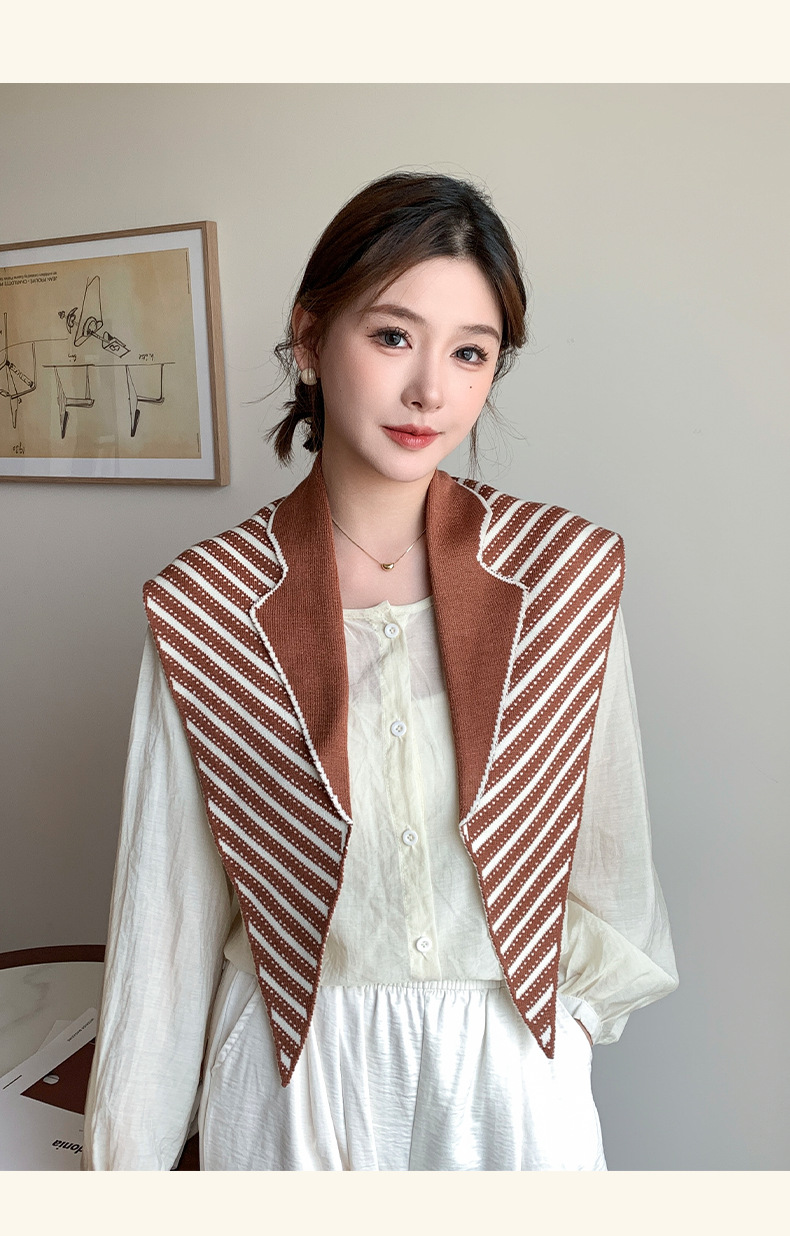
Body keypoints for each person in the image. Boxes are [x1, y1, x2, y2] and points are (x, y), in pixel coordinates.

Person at [82, 171, 679, 1171]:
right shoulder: (207, 605)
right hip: (292, 1080)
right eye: (394, 335)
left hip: (510, 1079)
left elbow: (611, 871)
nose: (430, 391)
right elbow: (165, 928)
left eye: (470, 352)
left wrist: (560, 1038)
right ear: (310, 336)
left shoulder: (563, 579)